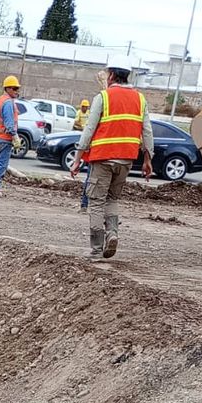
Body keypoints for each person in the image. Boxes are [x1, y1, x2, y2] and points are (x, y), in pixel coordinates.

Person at [70, 62, 153, 261]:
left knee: (97, 202)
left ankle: (97, 250)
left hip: (103, 158)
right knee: (112, 200)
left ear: (112, 75)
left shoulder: (103, 97)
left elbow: (89, 130)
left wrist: (77, 159)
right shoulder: (140, 99)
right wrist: (148, 160)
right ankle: (112, 233)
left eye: (108, 73)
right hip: (126, 159)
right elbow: (148, 132)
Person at [73, 99, 91, 211]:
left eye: (86, 107)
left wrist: (77, 161)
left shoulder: (90, 115)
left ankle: (85, 205)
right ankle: (84, 205)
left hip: (93, 152)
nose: (85, 108)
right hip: (82, 132)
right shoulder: (79, 113)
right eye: (84, 106)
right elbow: (76, 122)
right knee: (90, 180)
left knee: (90, 180)